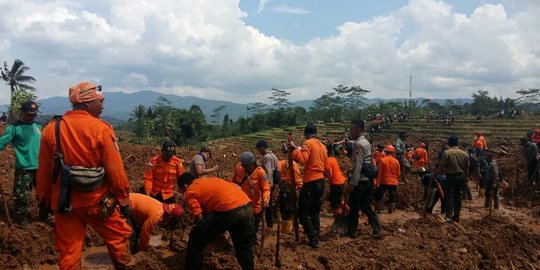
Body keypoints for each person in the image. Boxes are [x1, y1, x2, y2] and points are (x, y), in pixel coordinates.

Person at [36, 82, 133, 269]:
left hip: (65, 203)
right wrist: (124, 199)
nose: (103, 105)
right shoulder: (102, 129)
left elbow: (45, 172)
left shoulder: (52, 128)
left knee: (69, 252)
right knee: (119, 238)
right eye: (100, 101)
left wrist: (44, 200)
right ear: (86, 103)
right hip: (97, 202)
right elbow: (116, 171)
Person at [179, 173, 255, 270]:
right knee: (243, 245)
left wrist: (203, 230)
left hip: (229, 209)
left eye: (182, 191)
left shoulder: (190, 191)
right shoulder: (212, 179)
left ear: (185, 186)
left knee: (196, 238)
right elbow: (236, 187)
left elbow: (199, 215)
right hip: (246, 205)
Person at [0, 100, 41, 223]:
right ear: (22, 112)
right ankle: (21, 219)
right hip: (24, 168)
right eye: (30, 114)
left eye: (34, 114)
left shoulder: (38, 127)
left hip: (40, 167)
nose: (32, 116)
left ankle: (44, 215)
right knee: (22, 196)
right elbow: (1, 143)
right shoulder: (14, 128)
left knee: (44, 195)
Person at [289, 124, 328, 248]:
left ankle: (313, 239)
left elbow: (302, 159)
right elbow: (327, 168)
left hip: (311, 182)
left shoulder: (308, 143)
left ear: (306, 134)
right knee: (314, 212)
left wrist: (294, 150)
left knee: (303, 213)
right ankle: (316, 235)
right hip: (320, 182)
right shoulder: (323, 146)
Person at [345, 120, 382, 238]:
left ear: (359, 129)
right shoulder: (367, 142)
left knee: (354, 207)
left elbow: (358, 166)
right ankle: (377, 228)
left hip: (360, 181)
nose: (350, 132)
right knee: (366, 205)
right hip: (368, 181)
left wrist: (352, 183)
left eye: (352, 129)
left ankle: (352, 231)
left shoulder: (358, 144)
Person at [232, 151, 270, 234]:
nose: (245, 168)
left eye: (247, 166)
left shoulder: (260, 173)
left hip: (254, 207)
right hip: (240, 206)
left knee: (253, 230)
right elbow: (233, 183)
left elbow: (266, 189)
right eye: (243, 166)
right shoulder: (239, 169)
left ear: (253, 163)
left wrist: (266, 199)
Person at [434, 135, 469, 223]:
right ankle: (457, 216)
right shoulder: (464, 154)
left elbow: (441, 166)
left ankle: (449, 216)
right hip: (461, 177)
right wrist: (466, 178)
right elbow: (466, 168)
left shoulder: (447, 153)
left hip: (450, 177)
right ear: (457, 143)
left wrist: (434, 174)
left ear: (449, 143)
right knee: (458, 197)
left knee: (450, 197)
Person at [277, 147, 302, 233]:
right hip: (290, 189)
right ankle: (288, 230)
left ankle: (289, 229)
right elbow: (298, 180)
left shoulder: (286, 162)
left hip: (285, 188)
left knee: (286, 210)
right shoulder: (293, 165)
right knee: (289, 210)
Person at [255, 139, 279, 228]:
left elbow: (268, 172)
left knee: (267, 203)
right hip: (272, 182)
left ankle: (269, 223)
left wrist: (267, 184)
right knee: (269, 202)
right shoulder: (273, 155)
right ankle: (270, 222)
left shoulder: (266, 157)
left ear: (262, 148)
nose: (258, 151)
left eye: (258, 149)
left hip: (268, 183)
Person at [374, 145, 401, 214]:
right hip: (394, 182)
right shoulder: (396, 161)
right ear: (393, 153)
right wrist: (396, 180)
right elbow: (398, 173)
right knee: (392, 196)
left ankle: (377, 210)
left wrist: (377, 183)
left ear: (385, 152)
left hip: (384, 181)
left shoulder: (382, 160)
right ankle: (391, 211)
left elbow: (380, 173)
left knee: (378, 196)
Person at [326, 143, 346, 214]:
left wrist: (323, 175)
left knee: (334, 201)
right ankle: (348, 211)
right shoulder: (333, 159)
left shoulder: (328, 161)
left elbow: (329, 174)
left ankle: (337, 216)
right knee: (339, 199)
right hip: (341, 181)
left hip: (336, 183)